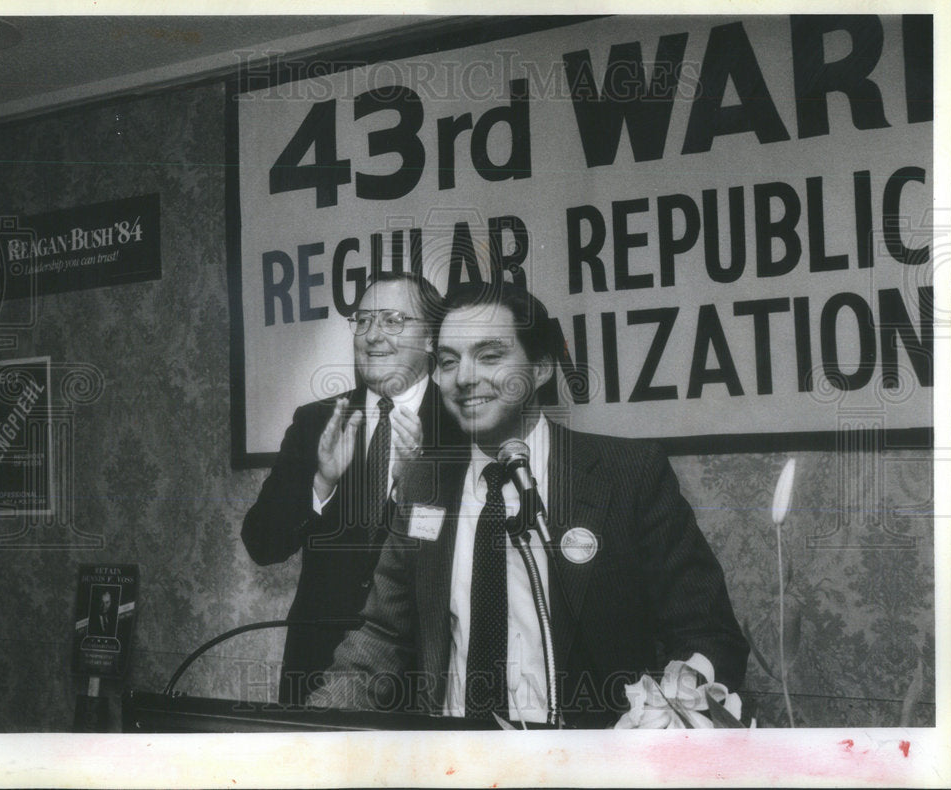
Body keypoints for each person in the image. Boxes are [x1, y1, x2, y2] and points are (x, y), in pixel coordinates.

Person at [308, 281, 748, 727]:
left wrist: (673, 710)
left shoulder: (628, 475)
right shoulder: (424, 484)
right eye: (447, 361)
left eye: (490, 356)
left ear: (540, 368)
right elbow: (382, 637)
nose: (464, 378)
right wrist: (308, 734)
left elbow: (706, 633)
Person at [241, 272, 464, 705]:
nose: (373, 335)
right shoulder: (317, 422)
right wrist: (321, 483)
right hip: (318, 673)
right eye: (363, 321)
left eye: (393, 320)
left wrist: (412, 488)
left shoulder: (462, 426)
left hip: (421, 679)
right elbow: (262, 543)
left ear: (433, 339)